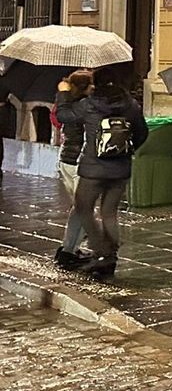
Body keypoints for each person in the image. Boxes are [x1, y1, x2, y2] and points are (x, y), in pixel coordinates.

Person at [56, 66, 148, 281]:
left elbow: (63, 116)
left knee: (83, 207)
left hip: (92, 169)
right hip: (120, 168)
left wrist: (63, 92)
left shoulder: (89, 105)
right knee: (109, 212)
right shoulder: (131, 105)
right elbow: (142, 134)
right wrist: (126, 152)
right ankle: (111, 257)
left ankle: (101, 252)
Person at [51, 70, 95, 270]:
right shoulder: (84, 106)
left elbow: (57, 119)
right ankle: (68, 251)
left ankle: (71, 248)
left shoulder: (66, 103)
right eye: (91, 84)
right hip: (78, 162)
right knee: (82, 208)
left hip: (65, 160)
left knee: (79, 207)